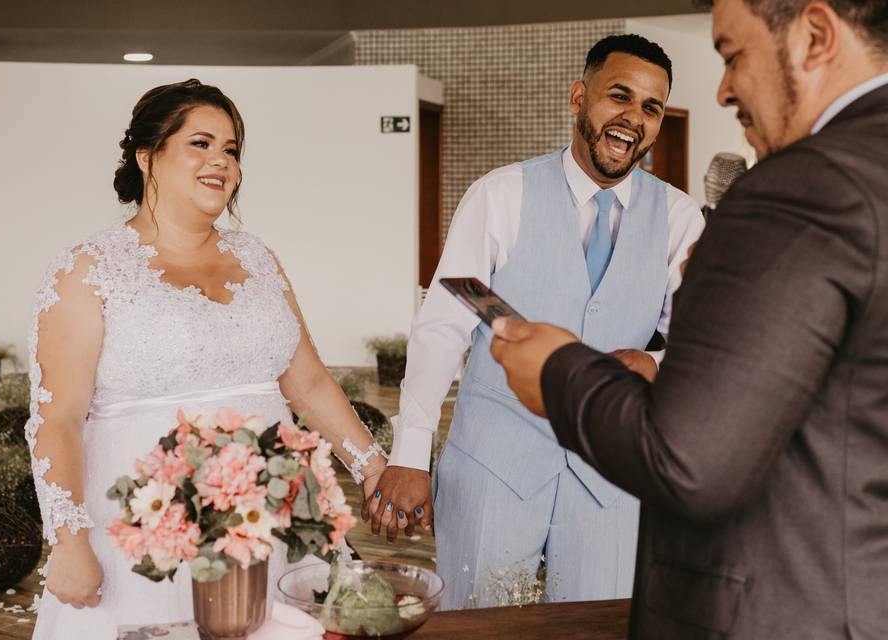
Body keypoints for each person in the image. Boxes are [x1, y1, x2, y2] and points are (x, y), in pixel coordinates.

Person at [490, 0, 888, 636]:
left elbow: (691, 462)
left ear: (814, 36)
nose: (725, 88)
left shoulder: (801, 190)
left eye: (733, 55)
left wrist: (560, 372)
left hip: (778, 610)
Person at [26, 79, 387, 639]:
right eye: (200, 143)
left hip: (275, 521)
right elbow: (59, 418)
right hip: (143, 533)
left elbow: (309, 383)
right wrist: (69, 541)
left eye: (231, 149)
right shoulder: (89, 269)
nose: (221, 160)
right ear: (148, 156)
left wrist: (374, 468)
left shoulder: (258, 258)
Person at [367, 35, 705, 609]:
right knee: (476, 620)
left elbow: (701, 346)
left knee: (603, 625)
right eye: (618, 96)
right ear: (579, 97)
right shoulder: (501, 195)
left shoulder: (681, 218)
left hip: (612, 474)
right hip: (494, 463)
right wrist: (409, 454)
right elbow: (444, 327)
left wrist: (653, 361)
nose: (633, 119)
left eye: (651, 107)